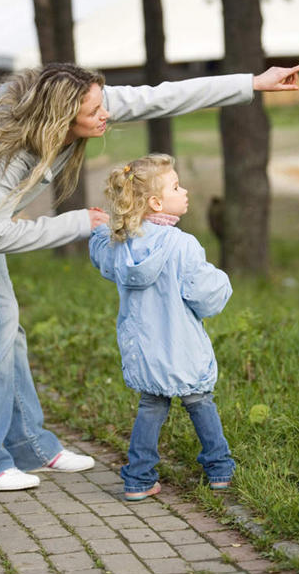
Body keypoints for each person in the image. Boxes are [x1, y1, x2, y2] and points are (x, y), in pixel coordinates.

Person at [0, 60, 299, 492]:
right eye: (94, 112)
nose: (104, 116)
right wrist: (77, 223)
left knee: (6, 326)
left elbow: (163, 95)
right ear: (60, 116)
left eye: (101, 104)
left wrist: (252, 81)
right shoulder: (8, 144)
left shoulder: (86, 105)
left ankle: (31, 446)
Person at [89, 154, 235, 500]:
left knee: (151, 405)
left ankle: (139, 478)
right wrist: (221, 281)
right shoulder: (182, 246)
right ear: (156, 202)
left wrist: (98, 230)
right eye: (175, 186)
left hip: (145, 348)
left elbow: (102, 256)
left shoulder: (121, 243)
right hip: (181, 345)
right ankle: (219, 468)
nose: (183, 191)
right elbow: (204, 293)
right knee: (199, 400)